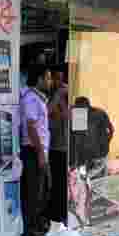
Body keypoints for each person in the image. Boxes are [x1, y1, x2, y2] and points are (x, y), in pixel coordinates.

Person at [20, 64, 52, 236]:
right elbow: (31, 126)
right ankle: (30, 234)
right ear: (39, 79)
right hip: (33, 151)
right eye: (47, 78)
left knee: (43, 191)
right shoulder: (31, 99)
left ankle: (38, 230)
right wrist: (40, 152)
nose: (50, 81)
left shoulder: (40, 98)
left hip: (40, 150)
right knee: (33, 193)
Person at [45, 69, 70, 226]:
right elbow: (46, 113)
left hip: (66, 147)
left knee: (63, 184)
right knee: (54, 184)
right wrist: (58, 96)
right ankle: (54, 214)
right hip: (54, 147)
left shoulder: (66, 97)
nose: (60, 83)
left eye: (62, 79)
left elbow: (69, 116)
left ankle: (62, 214)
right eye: (56, 79)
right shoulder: (49, 98)